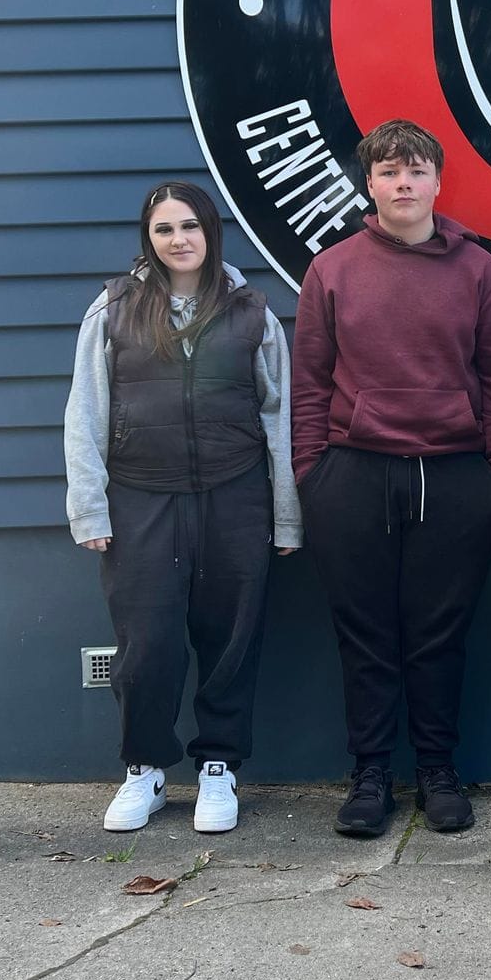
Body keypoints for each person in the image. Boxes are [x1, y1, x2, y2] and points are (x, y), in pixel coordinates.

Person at [292, 119, 491, 839]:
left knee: (438, 634)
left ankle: (437, 773)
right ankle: (369, 777)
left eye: (416, 171)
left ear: (438, 182)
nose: (403, 184)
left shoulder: (479, 272)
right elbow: (307, 383)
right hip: (352, 476)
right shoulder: (331, 269)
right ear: (370, 185)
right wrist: (311, 474)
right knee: (363, 636)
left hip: (454, 478)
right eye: (389, 173)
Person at [64, 181, 301, 835]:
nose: (180, 240)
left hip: (235, 496)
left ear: (211, 231)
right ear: (150, 238)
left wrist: (285, 516)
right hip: (141, 499)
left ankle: (218, 768)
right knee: (148, 643)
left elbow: (278, 415)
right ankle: (144, 770)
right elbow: (84, 410)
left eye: (191, 226)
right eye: (166, 229)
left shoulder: (250, 311)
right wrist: (90, 508)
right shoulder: (112, 309)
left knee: (230, 640)